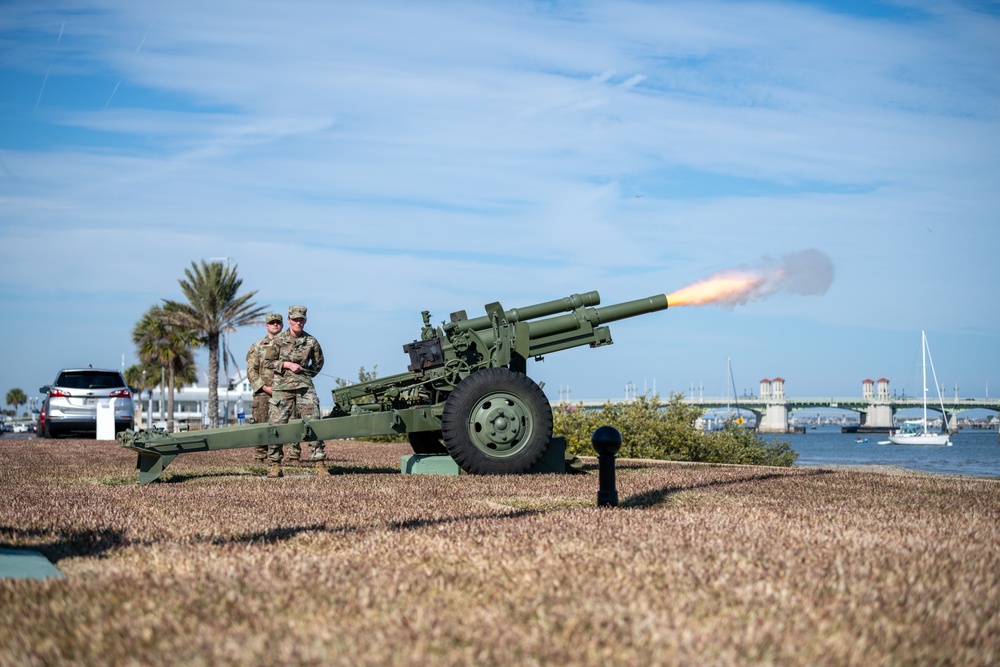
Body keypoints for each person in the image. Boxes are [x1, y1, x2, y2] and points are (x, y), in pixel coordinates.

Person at [266, 305, 329, 478]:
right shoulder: (278, 341)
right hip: (282, 388)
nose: (298, 322)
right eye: (295, 319)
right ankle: (275, 465)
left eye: (301, 319)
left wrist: (306, 374)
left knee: (314, 423)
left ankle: (319, 463)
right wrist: (286, 364)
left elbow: (318, 363)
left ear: (305, 321)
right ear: (288, 320)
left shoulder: (311, 341)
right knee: (276, 425)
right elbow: (268, 363)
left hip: (304, 387)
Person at [245, 313, 304, 463]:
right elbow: (251, 371)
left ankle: (293, 456)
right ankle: (260, 456)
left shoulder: (290, 345)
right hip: (264, 393)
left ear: (283, 325)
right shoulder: (257, 347)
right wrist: (265, 388)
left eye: (278, 322)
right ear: (266, 326)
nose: (275, 325)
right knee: (262, 423)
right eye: (272, 323)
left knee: (292, 422)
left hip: (287, 390)